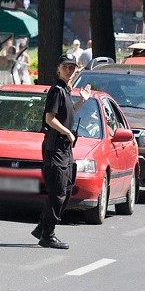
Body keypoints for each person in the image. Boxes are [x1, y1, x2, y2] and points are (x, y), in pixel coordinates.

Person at [31, 53, 92, 249]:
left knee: (65, 189)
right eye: (66, 66)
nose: (69, 70)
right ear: (58, 69)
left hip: (64, 148)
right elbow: (50, 119)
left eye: (72, 67)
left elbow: (67, 114)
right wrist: (68, 133)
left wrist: (82, 101)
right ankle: (48, 234)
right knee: (58, 192)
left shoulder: (66, 90)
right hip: (55, 147)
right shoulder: (57, 90)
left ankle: (43, 227)